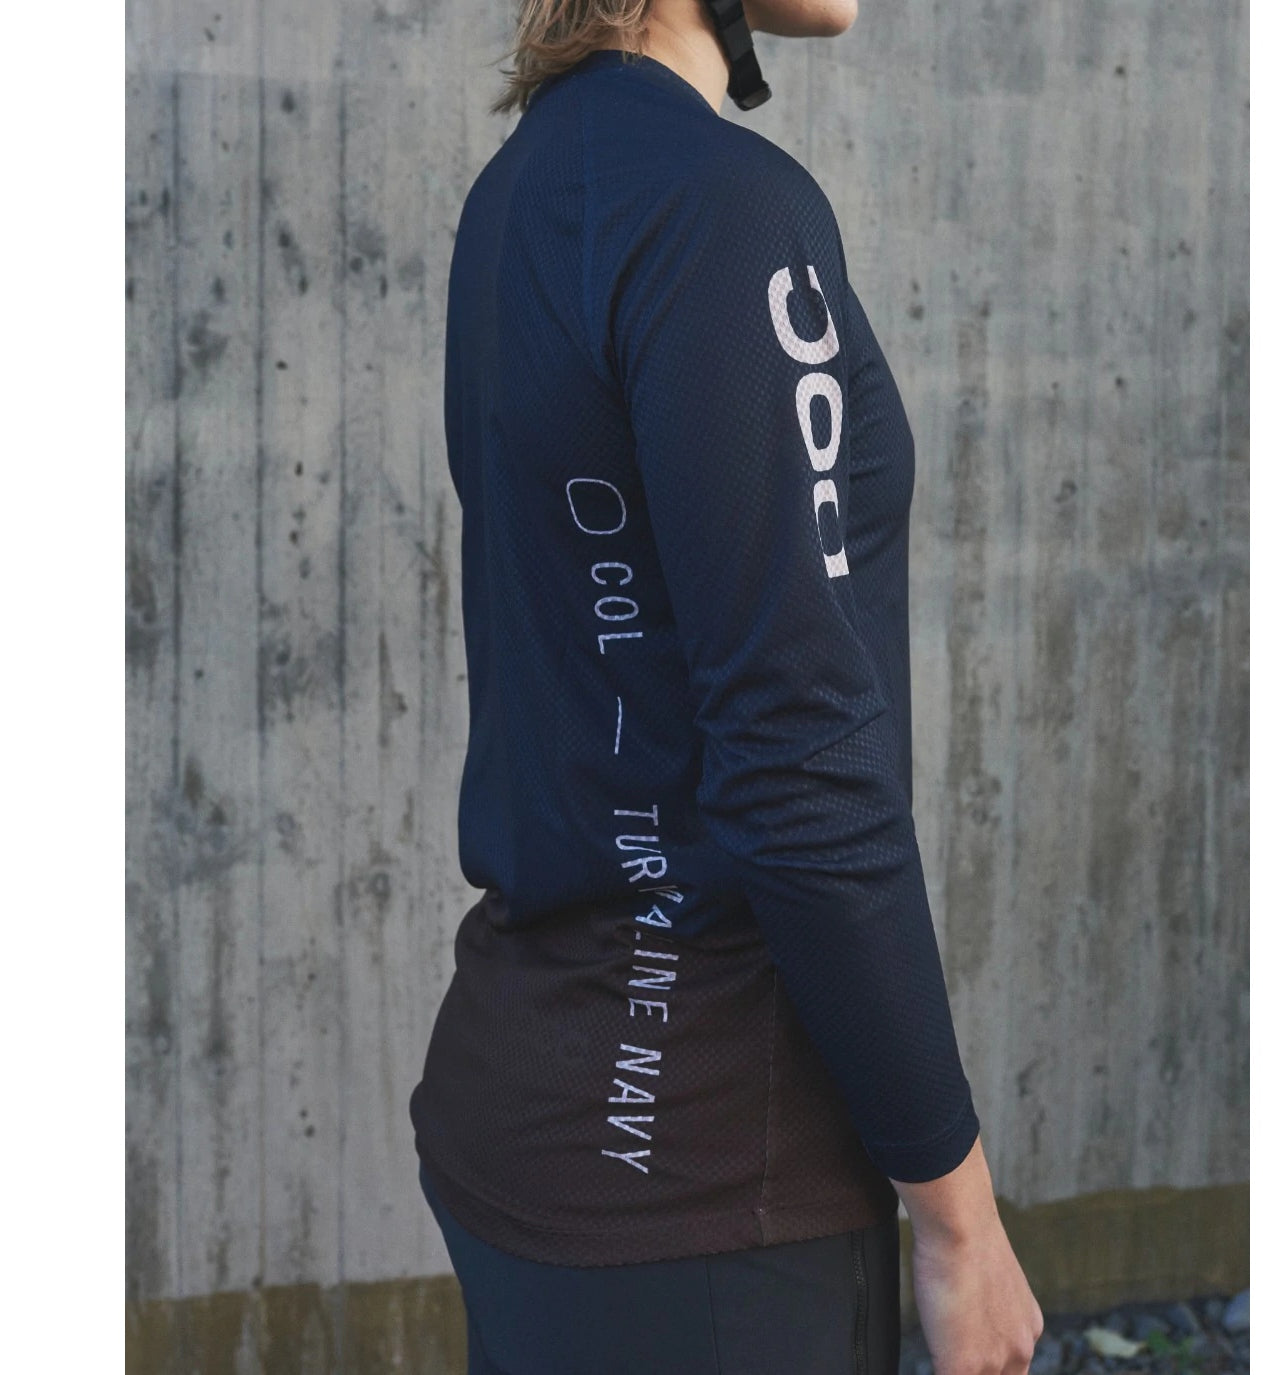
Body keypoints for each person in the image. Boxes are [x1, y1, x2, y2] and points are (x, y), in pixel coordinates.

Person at [408, 0, 1045, 1370]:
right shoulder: (725, 209)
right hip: (703, 1174)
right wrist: (960, 1220)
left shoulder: (523, 187)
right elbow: (799, 762)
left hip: (526, 1113)